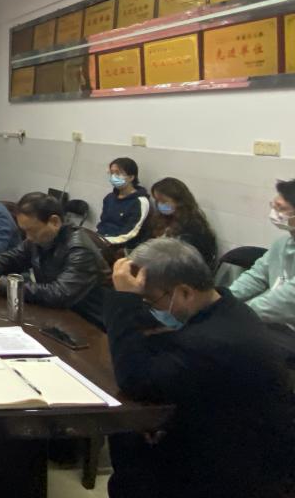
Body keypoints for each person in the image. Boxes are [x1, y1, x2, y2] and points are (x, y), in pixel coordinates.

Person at [105, 238, 294, 498]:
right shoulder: (227, 308)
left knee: (129, 448)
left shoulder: (211, 341)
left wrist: (123, 300)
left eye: (150, 301)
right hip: (225, 433)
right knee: (130, 437)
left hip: (241, 469)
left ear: (185, 292)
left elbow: (133, 379)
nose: (150, 310)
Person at [0, 192, 110, 327]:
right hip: (55, 315)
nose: (28, 237)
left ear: (54, 222)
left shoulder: (80, 249)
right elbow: (16, 256)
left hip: (86, 324)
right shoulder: (42, 238)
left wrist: (1, 285)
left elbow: (60, 293)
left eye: (31, 231)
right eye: (24, 231)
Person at [229, 178, 295, 355]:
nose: (275, 213)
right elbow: (256, 276)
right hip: (278, 324)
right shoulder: (282, 244)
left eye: (281, 208)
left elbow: (286, 300)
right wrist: (223, 298)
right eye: (273, 206)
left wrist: (237, 313)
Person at [149, 177, 217, 268]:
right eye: (157, 201)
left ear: (179, 201)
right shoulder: (161, 219)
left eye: (164, 201)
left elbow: (190, 259)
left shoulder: (194, 226)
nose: (160, 205)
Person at [97, 157, 150, 248]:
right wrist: (96, 237)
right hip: (101, 239)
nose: (113, 177)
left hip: (121, 246)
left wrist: (105, 241)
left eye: (118, 173)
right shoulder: (109, 198)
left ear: (131, 177)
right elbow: (103, 222)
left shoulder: (140, 202)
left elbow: (130, 232)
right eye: (112, 173)